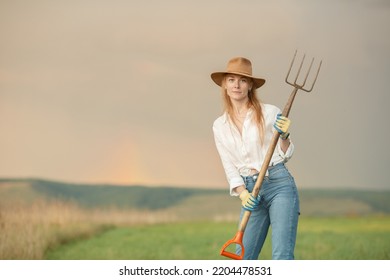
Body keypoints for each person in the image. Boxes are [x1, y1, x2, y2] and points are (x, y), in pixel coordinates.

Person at [211, 57, 300, 260]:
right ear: (224, 84)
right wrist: (243, 194)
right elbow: (229, 165)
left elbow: (285, 153)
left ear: (250, 85)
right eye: (231, 79)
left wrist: (285, 135)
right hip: (250, 191)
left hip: (279, 184)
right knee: (244, 259)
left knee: (282, 256)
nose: (236, 85)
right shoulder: (219, 125)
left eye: (242, 80)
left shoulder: (271, 113)